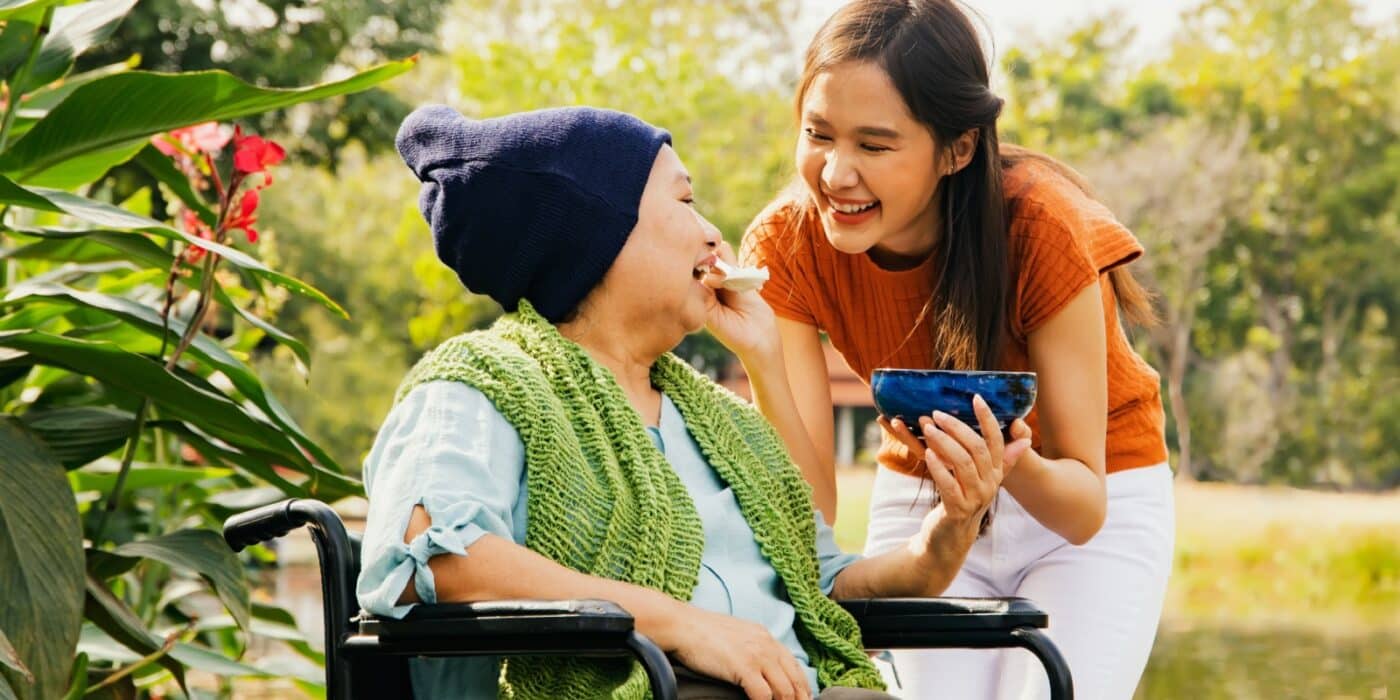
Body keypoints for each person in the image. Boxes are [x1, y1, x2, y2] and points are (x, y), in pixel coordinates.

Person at [354, 104, 1031, 699]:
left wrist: (948, 531)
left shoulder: (718, 420)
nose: (714, 233)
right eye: (683, 203)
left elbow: (820, 584)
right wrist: (681, 624)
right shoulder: (481, 386)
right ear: (598, 236)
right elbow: (431, 556)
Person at [740, 1, 1176, 698]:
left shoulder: (1042, 226)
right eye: (819, 133)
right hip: (922, 495)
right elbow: (809, 509)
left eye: (874, 146)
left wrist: (1003, 460)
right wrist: (760, 354)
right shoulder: (784, 244)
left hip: (1087, 504)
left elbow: (1084, 504)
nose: (835, 173)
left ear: (959, 147)